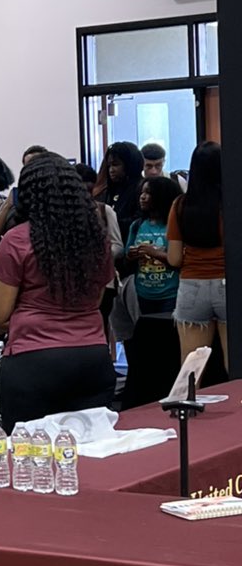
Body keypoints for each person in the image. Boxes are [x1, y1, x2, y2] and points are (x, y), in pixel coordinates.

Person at [0, 153, 116, 433]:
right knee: (91, 448)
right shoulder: (96, 238)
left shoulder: (17, 239)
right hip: (92, 356)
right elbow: (97, 299)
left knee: (29, 451)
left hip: (33, 359)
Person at [119, 176, 183, 408]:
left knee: (168, 343)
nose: (143, 197)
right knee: (147, 341)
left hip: (170, 293)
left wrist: (156, 253)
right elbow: (126, 254)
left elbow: (178, 260)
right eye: (141, 193)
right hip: (143, 291)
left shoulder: (172, 225)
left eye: (148, 193)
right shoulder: (138, 225)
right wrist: (132, 254)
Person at [167, 141, 226, 369]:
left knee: (191, 368)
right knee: (236, 367)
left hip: (192, 286)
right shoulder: (231, 204)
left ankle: (189, 395)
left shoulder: (180, 205)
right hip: (228, 285)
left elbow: (174, 259)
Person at [75, 162, 124, 335]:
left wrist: (98, 255)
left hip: (104, 281)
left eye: (89, 190)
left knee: (99, 327)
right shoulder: (62, 213)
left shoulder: (104, 210)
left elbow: (118, 245)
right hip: (75, 282)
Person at [93, 141, 144, 241]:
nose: (111, 170)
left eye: (115, 164)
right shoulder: (109, 190)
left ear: (129, 165)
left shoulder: (141, 188)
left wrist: (111, 223)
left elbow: (139, 221)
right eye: (109, 166)